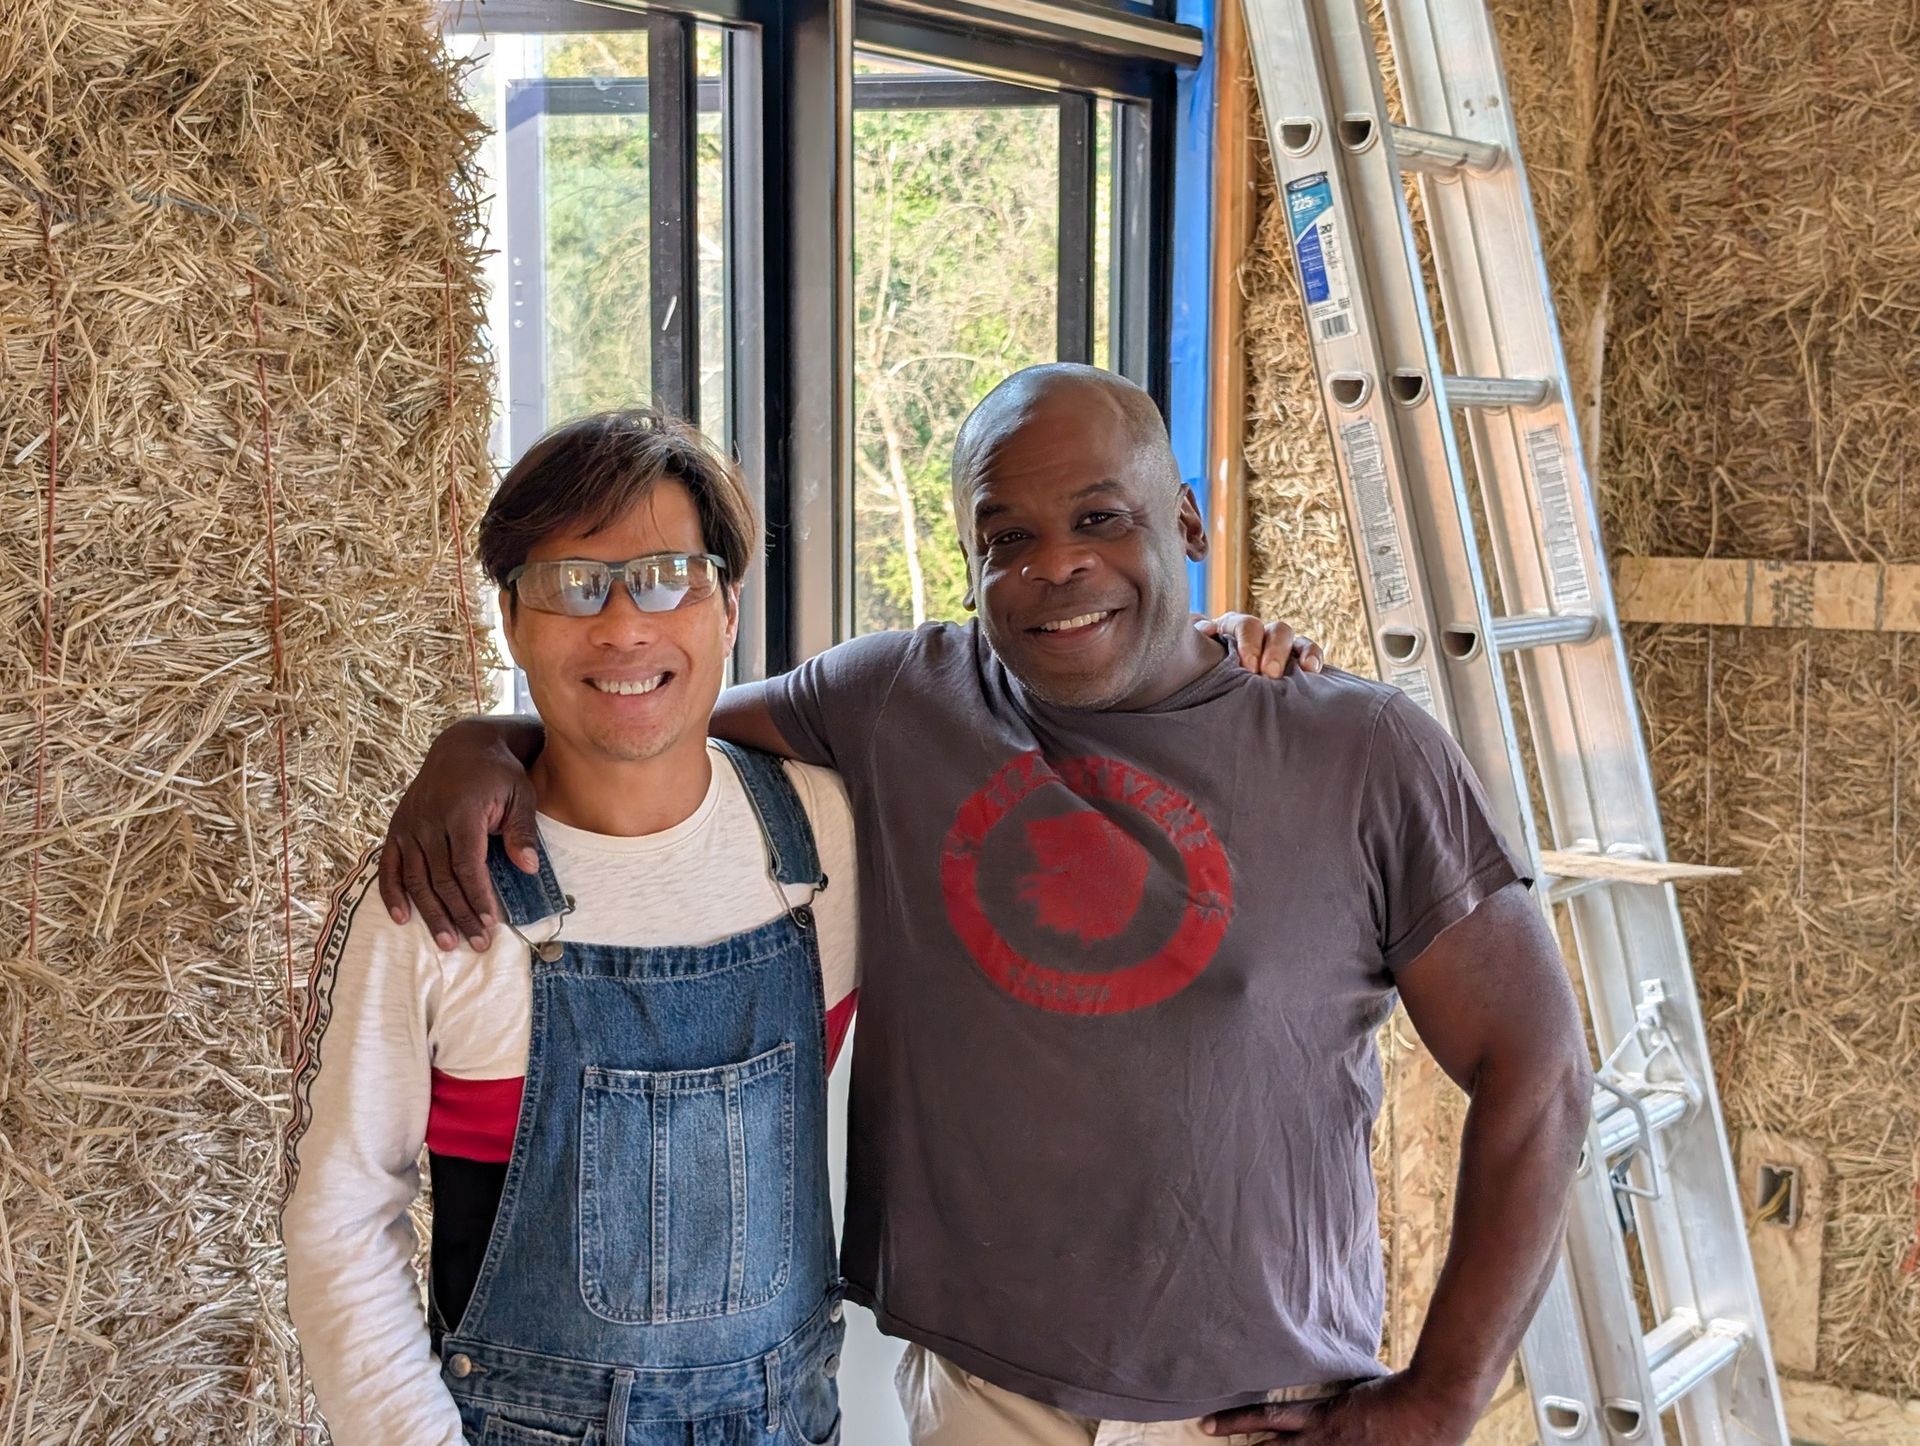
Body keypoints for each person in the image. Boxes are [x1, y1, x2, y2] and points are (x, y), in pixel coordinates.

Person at [385, 365, 1593, 1446]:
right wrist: (480, 741)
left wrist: (1438, 1400)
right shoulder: (897, 700)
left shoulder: (1361, 749)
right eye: (1005, 535)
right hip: (979, 1399)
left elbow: (1536, 1067)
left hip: (1258, 1407)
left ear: (1186, 519)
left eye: (1099, 519)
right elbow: (647, 710)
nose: (1054, 565)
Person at [282, 410, 860, 1444]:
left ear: (728, 604)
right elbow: (341, 1220)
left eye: (668, 574)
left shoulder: (828, 840)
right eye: (571, 586)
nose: (626, 625)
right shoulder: (445, 891)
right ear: (510, 619)